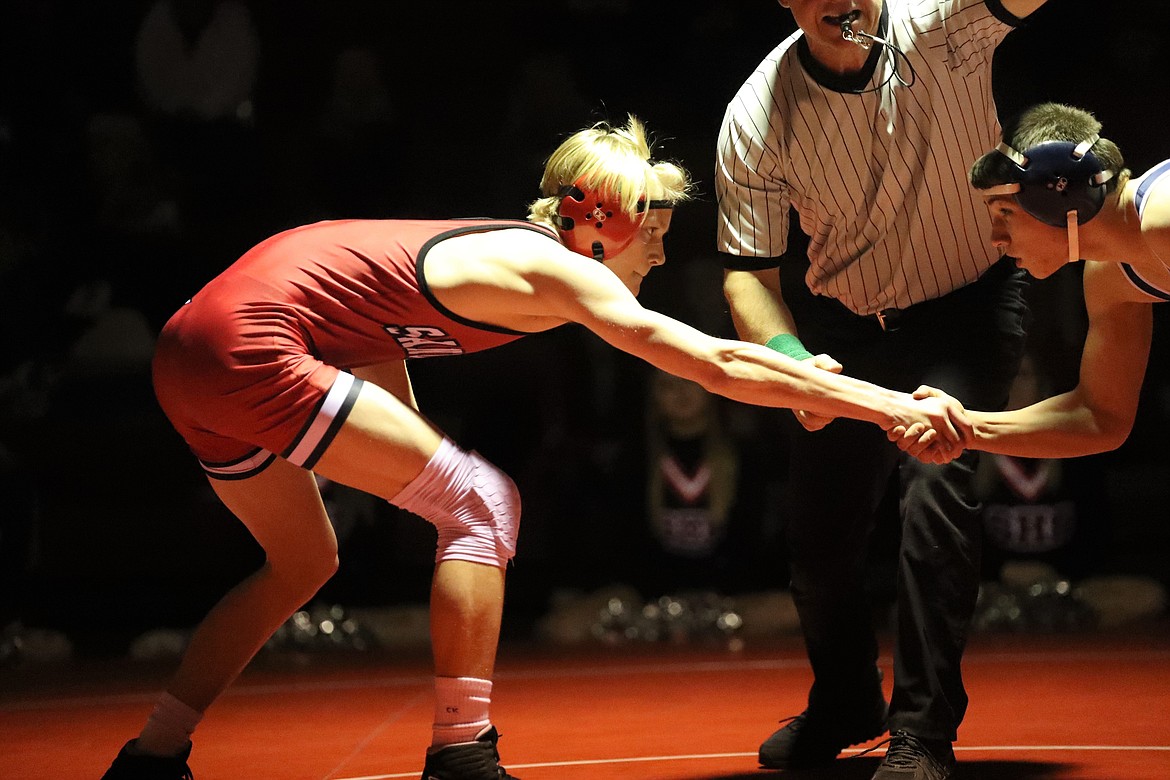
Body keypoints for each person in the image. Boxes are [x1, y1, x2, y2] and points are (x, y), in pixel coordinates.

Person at [100, 114, 961, 780]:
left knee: (304, 562)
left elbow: (371, 345)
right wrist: (879, 404)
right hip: (252, 345)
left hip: (188, 356)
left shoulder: (479, 256)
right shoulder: (554, 266)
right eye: (653, 236)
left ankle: (153, 752)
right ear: (598, 222)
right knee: (483, 502)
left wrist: (422, 475)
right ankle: (462, 751)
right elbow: (712, 361)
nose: (658, 258)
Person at [714, 1, 1050, 778]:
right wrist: (791, 359)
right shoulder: (756, 115)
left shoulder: (943, 23)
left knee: (934, 502)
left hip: (968, 302)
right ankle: (845, 700)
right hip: (842, 331)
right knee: (820, 532)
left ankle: (922, 731)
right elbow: (748, 274)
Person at [894, 102, 1169, 465]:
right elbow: (1100, 418)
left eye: (1004, 212)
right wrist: (965, 427)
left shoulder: (1162, 217)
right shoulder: (1111, 276)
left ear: (1061, 193)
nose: (996, 238)